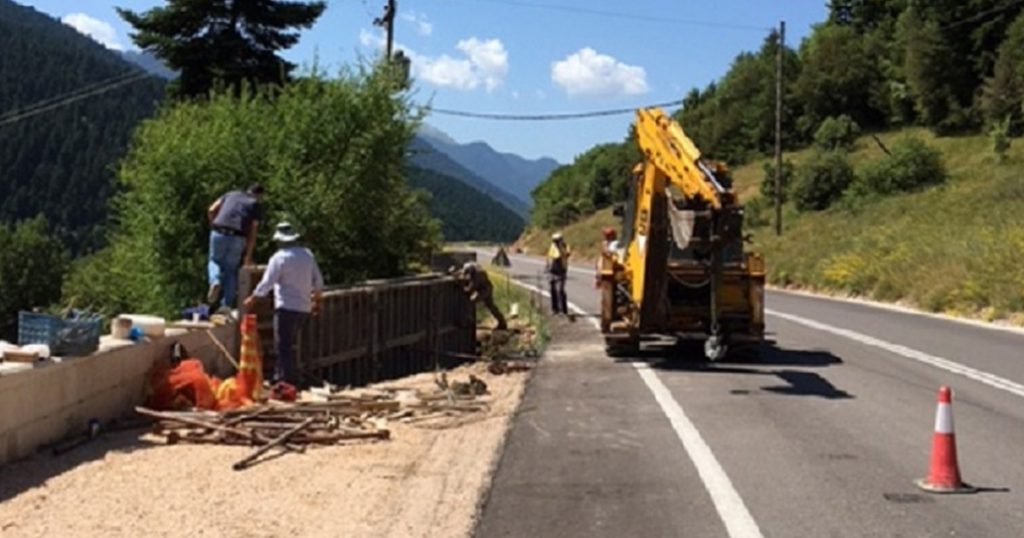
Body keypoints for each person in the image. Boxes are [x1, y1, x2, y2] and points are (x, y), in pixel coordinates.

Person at [243, 222, 324, 388]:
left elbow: (267, 282)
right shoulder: (307, 255)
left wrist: (253, 298)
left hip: (286, 307)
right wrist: (317, 301)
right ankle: (280, 376)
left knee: (283, 346)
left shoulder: (279, 258)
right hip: (304, 307)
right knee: (291, 344)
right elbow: (319, 281)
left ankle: (287, 381)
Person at [207, 184, 265, 309]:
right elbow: (253, 232)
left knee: (214, 260)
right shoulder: (255, 204)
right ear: (259, 195)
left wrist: (214, 227)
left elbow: (211, 209)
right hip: (238, 237)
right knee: (231, 270)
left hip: (219, 231)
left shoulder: (231, 194)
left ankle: (215, 281)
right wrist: (248, 257)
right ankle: (226, 307)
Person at [451, 262, 507, 331]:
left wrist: (460, 285)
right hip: (484, 288)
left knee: (472, 301)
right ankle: (502, 322)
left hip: (485, 290)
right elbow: (463, 273)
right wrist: (455, 274)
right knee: (491, 306)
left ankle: (467, 321)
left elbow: (469, 289)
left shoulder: (478, 275)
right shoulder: (470, 268)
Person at [546, 232, 571, 315]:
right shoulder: (552, 246)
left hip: (561, 272)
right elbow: (549, 256)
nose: (555, 242)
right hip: (552, 271)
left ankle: (563, 310)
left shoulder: (565, 246)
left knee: (560, 290)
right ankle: (555, 309)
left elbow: (566, 254)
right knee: (552, 290)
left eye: (557, 240)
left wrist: (560, 248)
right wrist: (547, 267)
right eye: (554, 240)